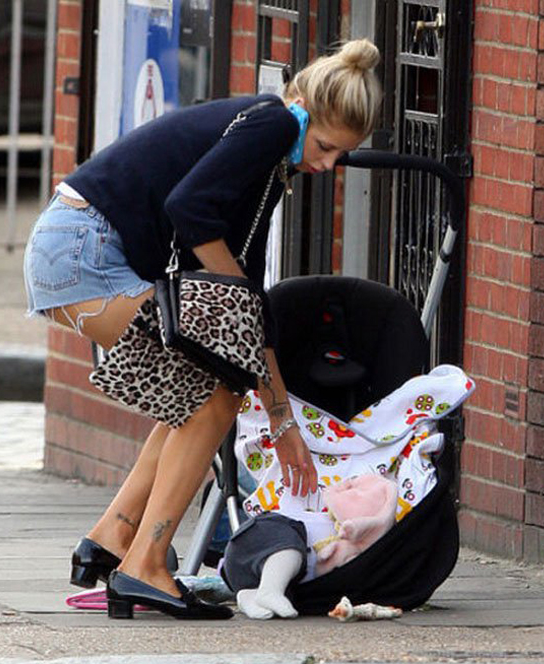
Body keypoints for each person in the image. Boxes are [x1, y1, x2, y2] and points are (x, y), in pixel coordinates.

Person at [23, 38, 382, 620]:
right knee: (214, 396)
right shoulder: (271, 125)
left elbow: (250, 301)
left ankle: (113, 538)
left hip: (73, 244)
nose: (327, 165)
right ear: (304, 113)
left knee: (206, 384)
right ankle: (145, 565)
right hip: (84, 250)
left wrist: (281, 415)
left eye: (342, 154)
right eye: (325, 146)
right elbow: (188, 210)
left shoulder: (269, 155)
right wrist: (240, 311)